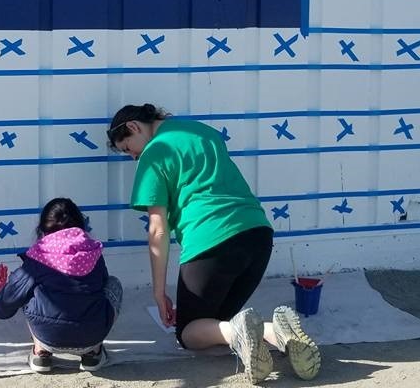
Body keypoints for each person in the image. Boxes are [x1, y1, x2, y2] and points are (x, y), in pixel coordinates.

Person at [108, 104, 320, 384]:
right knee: (216, 322)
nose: (134, 157)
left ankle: (241, 334)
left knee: (189, 333)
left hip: (211, 244)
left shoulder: (154, 153)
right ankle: (276, 332)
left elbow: (158, 230)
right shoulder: (202, 132)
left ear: (134, 127)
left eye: (128, 148)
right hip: (257, 235)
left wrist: (159, 293)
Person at [0, 198, 122, 373]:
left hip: (48, 337)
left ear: (43, 228)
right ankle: (92, 353)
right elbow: (103, 284)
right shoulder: (92, 252)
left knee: (27, 289)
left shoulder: (38, 256)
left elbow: (14, 289)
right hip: (91, 335)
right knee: (113, 283)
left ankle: (40, 353)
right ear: (80, 224)